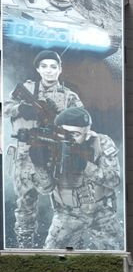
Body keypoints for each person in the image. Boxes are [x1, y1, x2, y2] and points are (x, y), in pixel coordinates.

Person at [4, 50, 83, 248]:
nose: (49, 71)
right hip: (26, 156)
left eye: (53, 67)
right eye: (45, 66)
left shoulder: (69, 96)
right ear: (38, 69)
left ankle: (64, 245)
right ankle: (24, 246)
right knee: (25, 202)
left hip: (56, 155)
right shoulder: (27, 89)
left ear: (60, 70)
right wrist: (21, 109)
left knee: (66, 204)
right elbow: (5, 107)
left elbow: (81, 122)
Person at [43, 107, 123, 251]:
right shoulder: (51, 146)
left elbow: (114, 180)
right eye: (64, 133)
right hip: (67, 213)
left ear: (87, 133)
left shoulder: (101, 142)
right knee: (51, 257)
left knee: (116, 255)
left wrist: (86, 166)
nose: (68, 138)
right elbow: (45, 188)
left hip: (101, 211)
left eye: (74, 134)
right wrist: (38, 165)